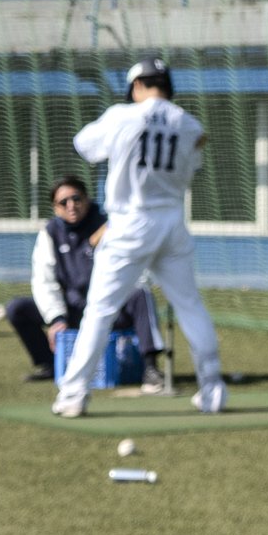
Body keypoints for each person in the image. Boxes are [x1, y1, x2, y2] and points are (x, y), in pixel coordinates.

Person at [50, 58, 225, 418]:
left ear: (137, 86)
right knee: (190, 305)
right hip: (171, 222)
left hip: (129, 223)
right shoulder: (189, 124)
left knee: (100, 310)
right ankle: (213, 390)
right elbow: (194, 159)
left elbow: (83, 144)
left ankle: (73, 394)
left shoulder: (122, 116)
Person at [6, 176, 166, 389]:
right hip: (73, 309)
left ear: (87, 199)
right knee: (17, 308)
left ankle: (150, 367)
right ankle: (51, 364)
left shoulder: (108, 225)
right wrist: (57, 318)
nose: (71, 206)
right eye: (63, 202)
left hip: (109, 307)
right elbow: (44, 281)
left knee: (141, 294)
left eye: (76, 199)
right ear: (55, 208)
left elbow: (134, 271)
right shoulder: (50, 233)